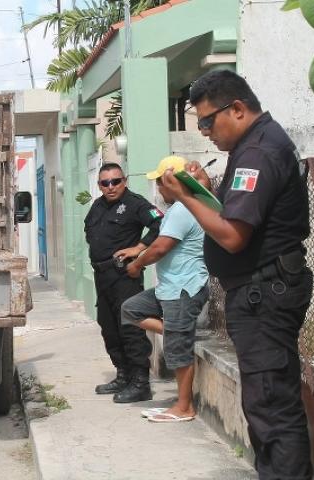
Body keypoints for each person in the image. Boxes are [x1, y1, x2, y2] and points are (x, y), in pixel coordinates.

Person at [161, 70, 313, 479]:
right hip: (261, 290)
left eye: (208, 121)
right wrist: (202, 188)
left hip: (266, 292)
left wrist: (183, 199)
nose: (205, 131)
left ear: (238, 109)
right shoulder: (254, 146)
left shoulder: (259, 151)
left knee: (271, 408)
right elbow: (234, 210)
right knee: (266, 405)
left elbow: (232, 235)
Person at [120, 156, 209, 423]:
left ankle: (184, 407)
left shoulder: (183, 209)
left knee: (178, 351)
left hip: (183, 288)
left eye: (161, 182)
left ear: (175, 181)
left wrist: (137, 265)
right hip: (169, 289)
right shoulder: (180, 206)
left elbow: (161, 247)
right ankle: (176, 331)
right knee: (131, 309)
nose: (158, 188)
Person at [83, 162, 162, 403]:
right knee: (108, 326)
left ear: (124, 181)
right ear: (99, 185)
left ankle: (140, 382)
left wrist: (139, 248)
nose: (110, 187)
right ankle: (123, 374)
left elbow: (160, 224)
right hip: (102, 275)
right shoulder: (97, 206)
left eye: (115, 181)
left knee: (130, 328)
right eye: (105, 183)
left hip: (123, 276)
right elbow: (90, 233)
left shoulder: (135, 204)